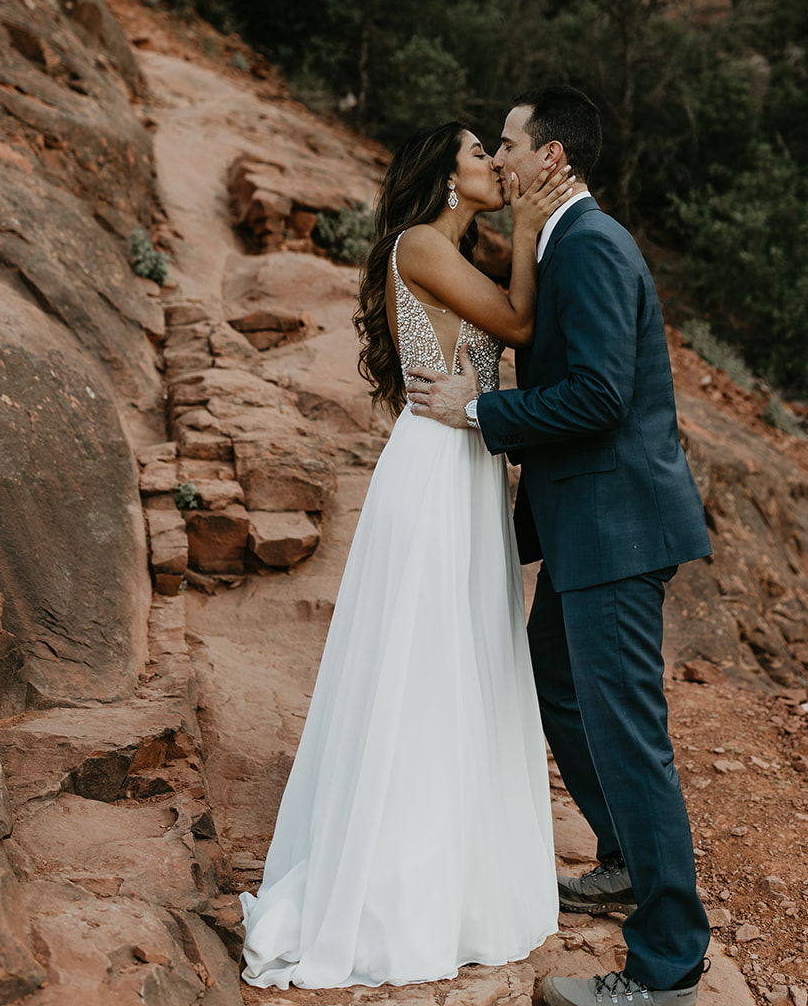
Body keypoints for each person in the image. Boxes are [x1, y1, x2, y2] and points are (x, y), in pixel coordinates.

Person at [240, 121, 571, 990]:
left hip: (462, 468)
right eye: (477, 155)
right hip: (433, 474)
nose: (495, 164)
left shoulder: (450, 246)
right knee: (424, 665)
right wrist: (535, 223)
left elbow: (501, 346)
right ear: (446, 178)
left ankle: (451, 873)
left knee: (460, 660)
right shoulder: (422, 243)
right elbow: (518, 321)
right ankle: (395, 887)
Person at [407, 87, 713, 1006]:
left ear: (549, 159)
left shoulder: (588, 245)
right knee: (556, 681)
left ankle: (667, 969)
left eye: (506, 143)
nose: (497, 157)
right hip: (592, 526)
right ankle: (622, 862)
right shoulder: (560, 243)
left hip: (617, 529)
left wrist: (476, 411)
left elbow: (596, 398)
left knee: (631, 740)